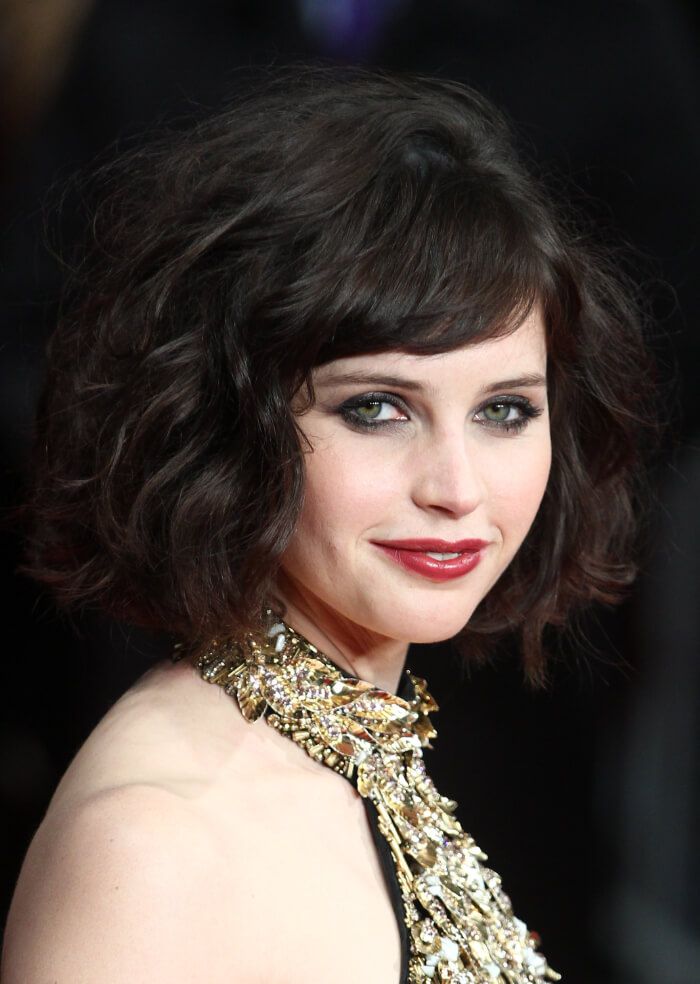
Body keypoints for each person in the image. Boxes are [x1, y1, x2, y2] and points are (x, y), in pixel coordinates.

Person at [1, 67, 658, 983]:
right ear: (227, 423)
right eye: (377, 409)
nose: (457, 488)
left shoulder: (357, 748)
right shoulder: (154, 847)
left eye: (504, 411)